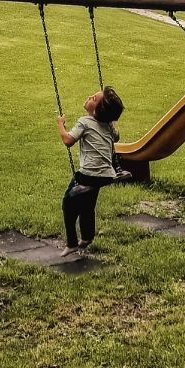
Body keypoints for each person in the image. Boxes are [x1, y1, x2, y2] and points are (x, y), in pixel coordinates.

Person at [56, 87, 130, 256]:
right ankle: (87, 237)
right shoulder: (108, 126)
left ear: (97, 110)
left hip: (88, 174)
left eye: (94, 99)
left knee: (68, 205)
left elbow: (68, 140)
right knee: (87, 205)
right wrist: (110, 121)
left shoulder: (85, 122)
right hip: (105, 175)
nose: (90, 96)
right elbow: (116, 137)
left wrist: (60, 124)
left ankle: (72, 243)